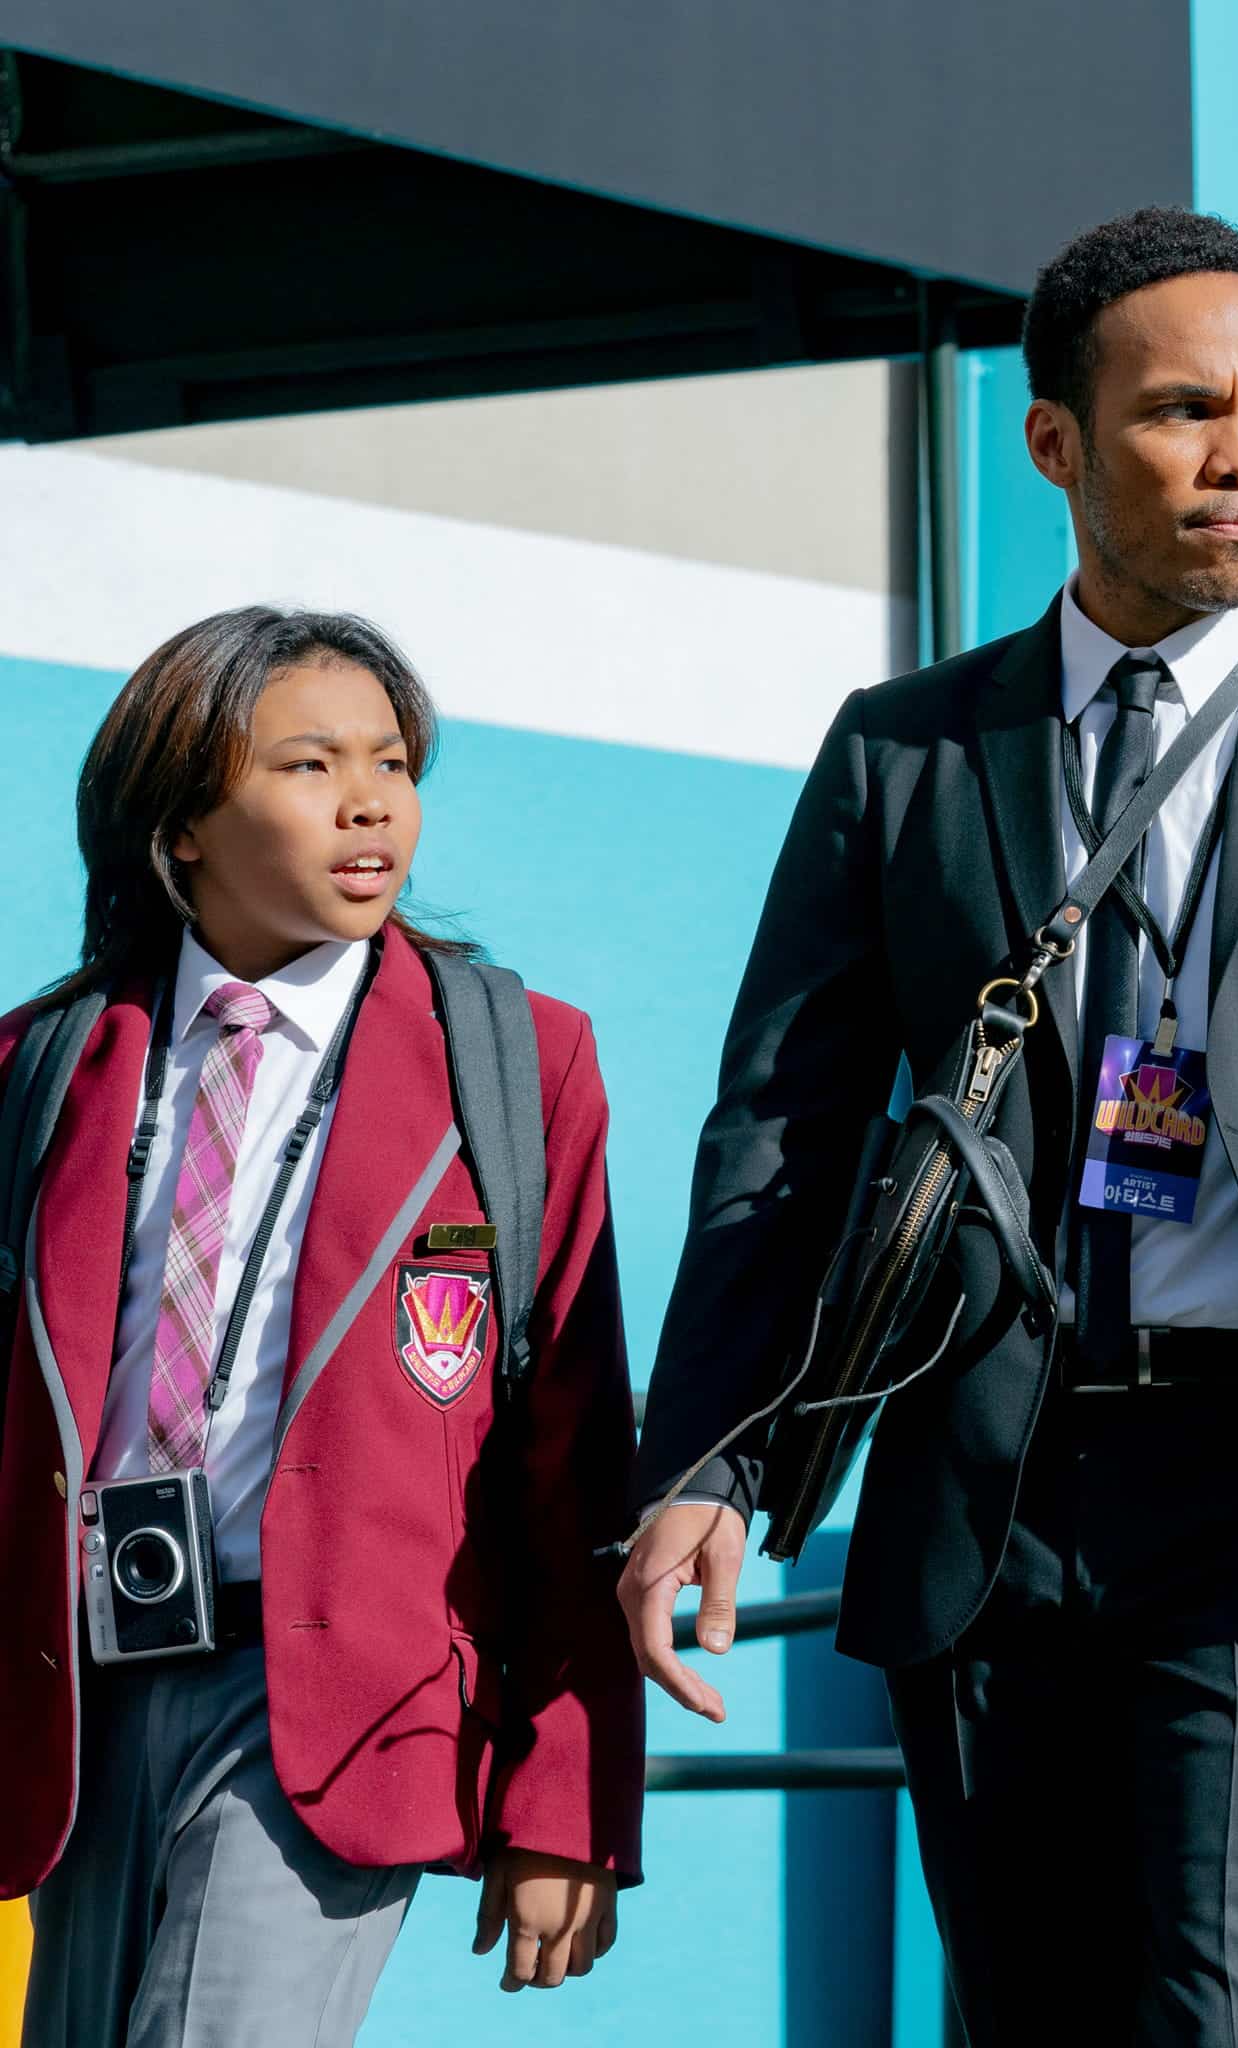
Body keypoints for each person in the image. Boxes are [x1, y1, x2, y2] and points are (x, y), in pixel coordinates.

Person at [619, 207, 1238, 2045]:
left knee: (1230, 2005)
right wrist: (707, 1462)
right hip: (980, 1477)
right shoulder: (907, 748)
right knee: (1024, 2009)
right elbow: (779, 1124)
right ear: (1057, 443)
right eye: (1184, 411)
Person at [1, 608, 643, 2046]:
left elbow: (573, 1457)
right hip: (81, 1698)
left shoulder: (520, 1063)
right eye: (308, 766)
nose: (370, 805)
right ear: (180, 825)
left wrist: (566, 1792)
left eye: (395, 766)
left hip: (335, 1703)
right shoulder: (44, 1065)